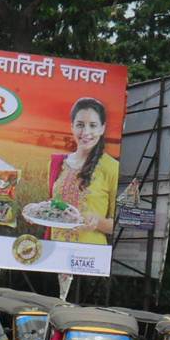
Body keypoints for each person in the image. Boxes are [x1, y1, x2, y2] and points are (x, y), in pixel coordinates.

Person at [47, 97, 119, 245]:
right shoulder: (57, 164)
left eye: (93, 125)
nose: (86, 132)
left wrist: (97, 222)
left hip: (90, 258)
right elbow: (53, 205)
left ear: (102, 128)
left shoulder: (112, 167)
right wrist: (38, 212)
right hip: (55, 252)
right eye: (80, 125)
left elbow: (120, 223)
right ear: (72, 126)